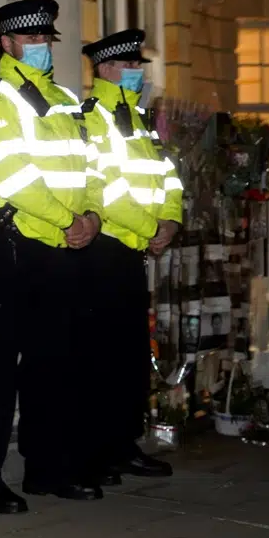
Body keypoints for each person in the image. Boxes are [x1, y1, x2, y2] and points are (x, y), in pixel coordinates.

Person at [0, 0, 103, 514]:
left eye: (46, 39)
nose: (41, 47)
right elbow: (15, 177)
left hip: (61, 246)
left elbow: (86, 172)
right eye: (31, 39)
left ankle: (46, 469)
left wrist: (92, 219)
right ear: (7, 43)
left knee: (54, 363)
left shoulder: (65, 99)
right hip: (9, 247)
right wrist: (69, 222)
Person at [79, 29, 181, 483]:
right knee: (103, 357)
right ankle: (99, 450)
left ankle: (123, 444)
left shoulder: (137, 119)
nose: (138, 73)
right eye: (129, 66)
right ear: (104, 70)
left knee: (131, 356)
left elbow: (167, 175)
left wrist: (171, 221)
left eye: (140, 66)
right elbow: (103, 190)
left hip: (134, 249)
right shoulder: (94, 118)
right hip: (106, 251)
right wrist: (149, 229)